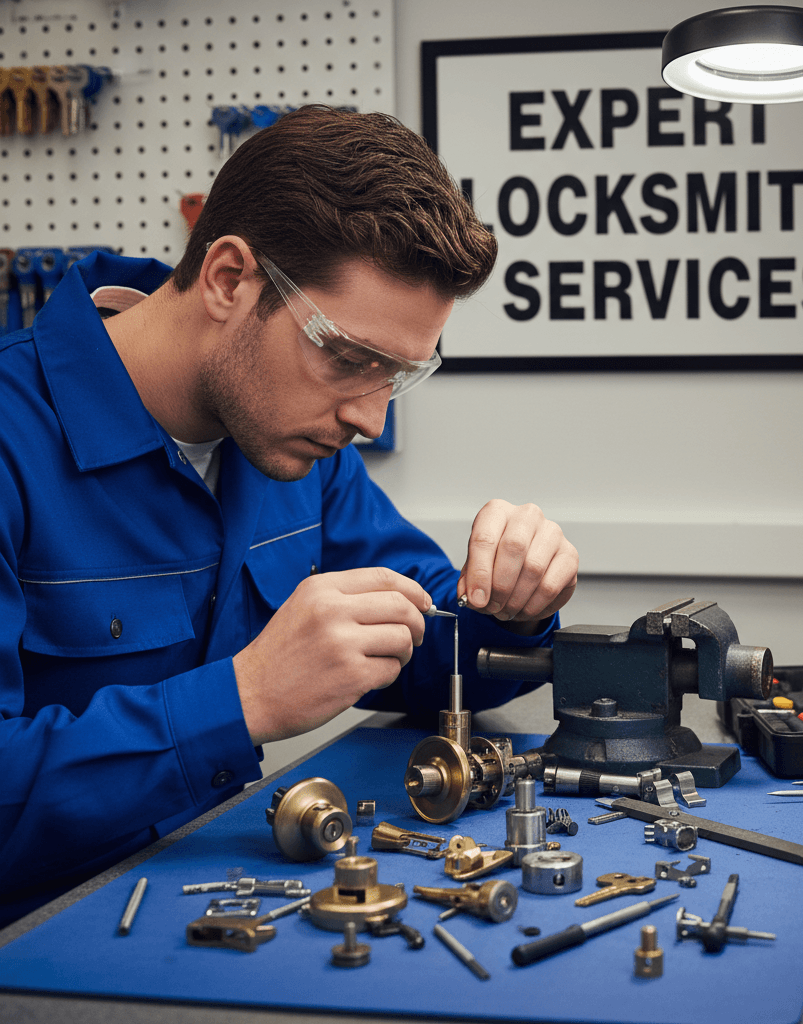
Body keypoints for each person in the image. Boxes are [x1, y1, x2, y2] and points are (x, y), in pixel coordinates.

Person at [0, 106, 578, 926]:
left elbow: (422, 641)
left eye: (400, 375)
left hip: (220, 911)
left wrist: (514, 611)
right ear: (230, 279)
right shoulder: (11, 442)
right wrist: (243, 699)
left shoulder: (288, 441)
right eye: (349, 359)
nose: (371, 419)